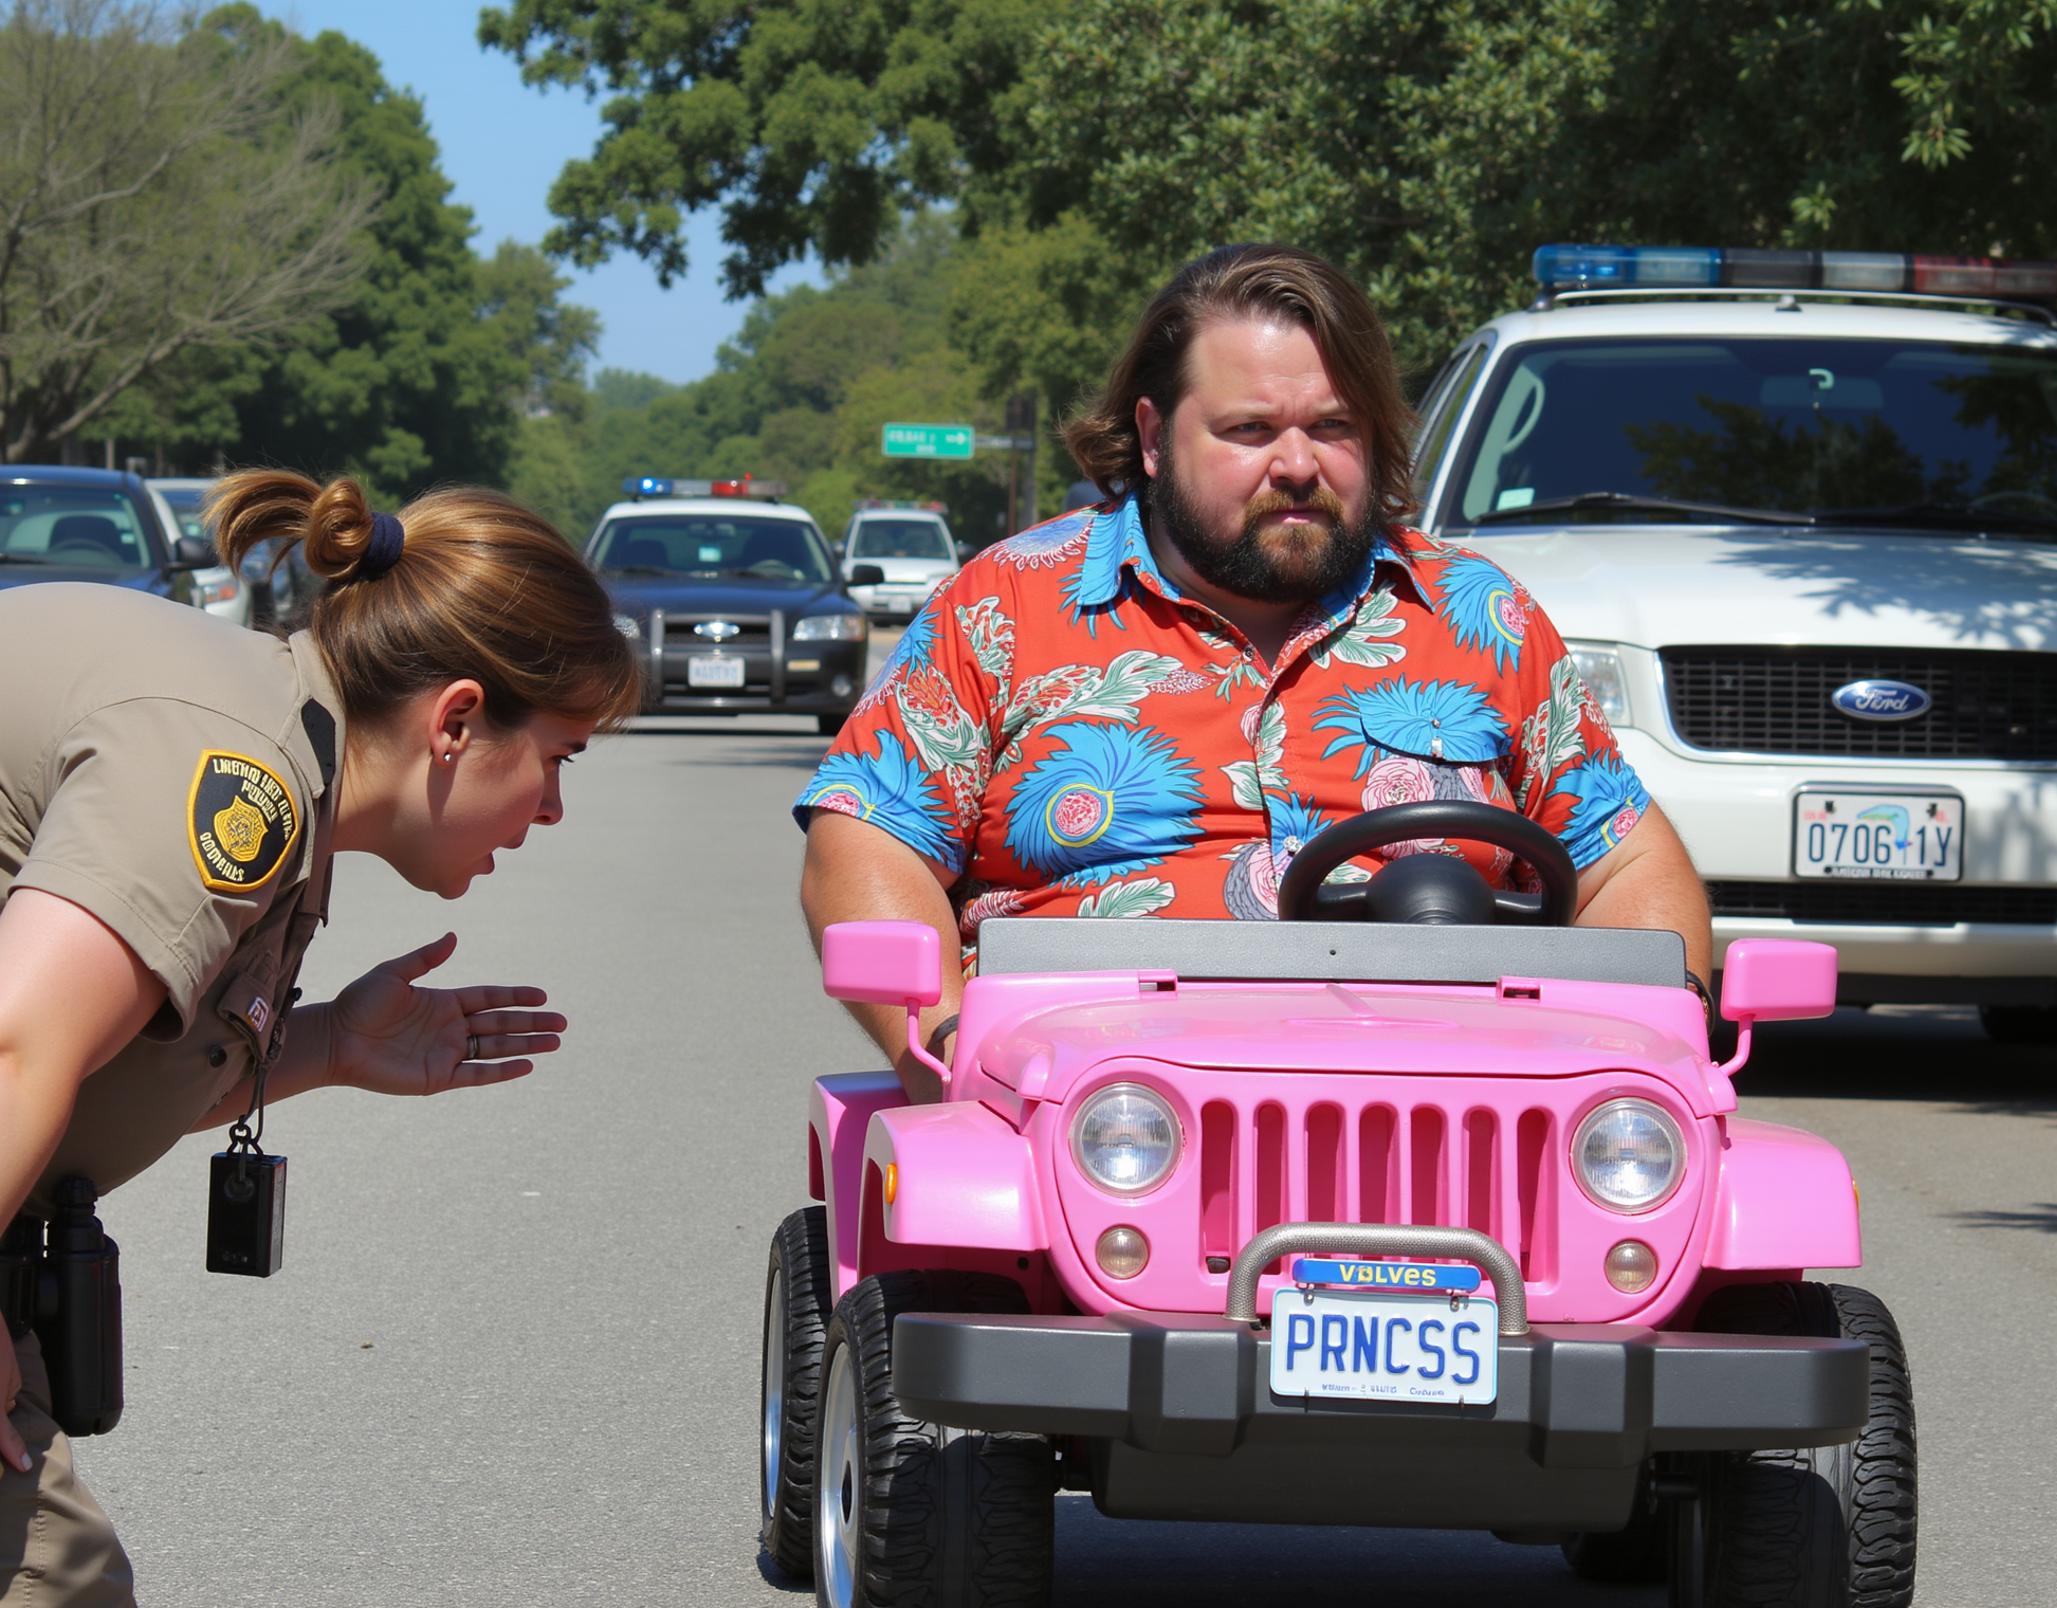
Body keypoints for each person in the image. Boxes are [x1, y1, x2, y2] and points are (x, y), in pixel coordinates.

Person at [795, 243, 1711, 1094]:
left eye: (1334, 426)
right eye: (1250, 428)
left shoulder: (1486, 618)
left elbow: (1628, 862)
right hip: (1089, 1131)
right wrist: (950, 1056)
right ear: (1153, 438)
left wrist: (1639, 1066)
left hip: (1455, 1113)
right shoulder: (1003, 608)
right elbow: (868, 841)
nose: (1299, 464)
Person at [0, 470, 639, 1602]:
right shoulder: (235, 776)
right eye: (559, 760)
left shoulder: (287, 768)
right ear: (455, 722)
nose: (551, 811)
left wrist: (331, 1044)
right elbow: (17, 1043)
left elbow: (106, 1059)